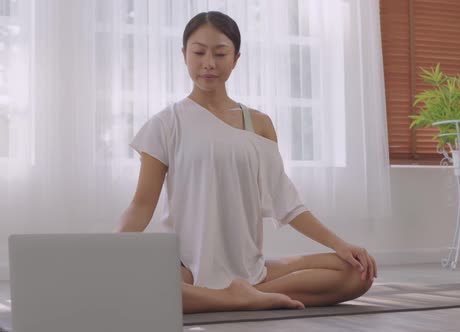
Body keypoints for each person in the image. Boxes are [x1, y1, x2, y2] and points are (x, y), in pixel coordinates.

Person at [117, 11, 377, 314]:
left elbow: (288, 203)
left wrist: (340, 245)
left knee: (357, 273)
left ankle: (238, 294)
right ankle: (239, 299)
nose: (209, 63)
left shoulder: (259, 124)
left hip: (250, 268)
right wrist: (110, 252)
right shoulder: (165, 124)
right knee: (142, 285)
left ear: (236, 58)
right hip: (189, 267)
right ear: (184, 55)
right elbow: (141, 205)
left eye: (220, 53)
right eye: (199, 52)